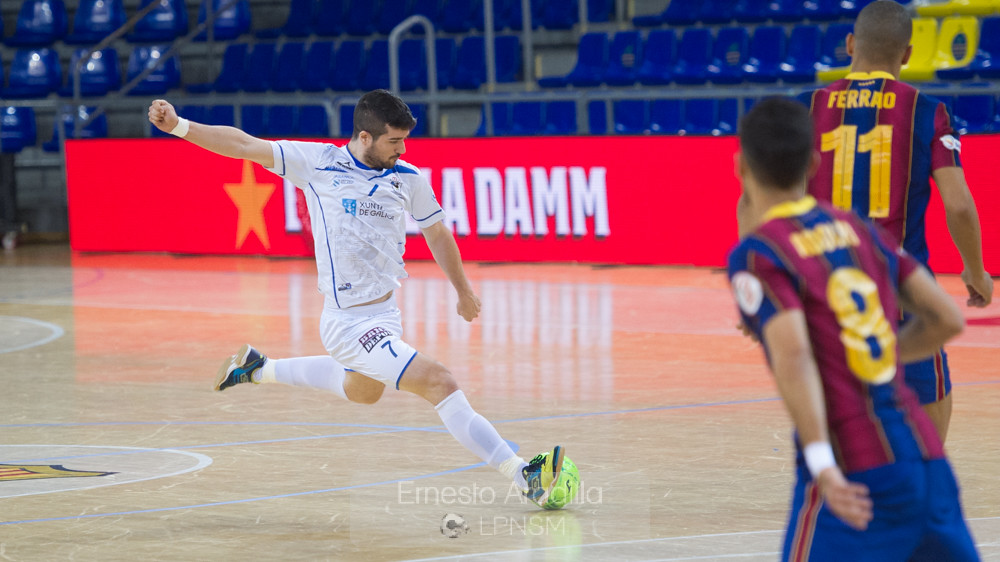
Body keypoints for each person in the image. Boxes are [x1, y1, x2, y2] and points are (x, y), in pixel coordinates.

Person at [147, 90, 564, 507]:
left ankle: (258, 369)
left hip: (385, 315)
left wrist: (463, 290)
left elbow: (437, 232)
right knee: (440, 382)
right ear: (365, 137)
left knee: (364, 392)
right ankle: (523, 474)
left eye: (404, 141)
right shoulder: (317, 164)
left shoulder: (408, 177)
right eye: (394, 141)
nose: (402, 149)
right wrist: (179, 126)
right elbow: (242, 144)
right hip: (347, 324)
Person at [729, 97, 979, 561]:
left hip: (856, 467)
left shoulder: (760, 255)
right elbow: (948, 318)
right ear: (813, 163)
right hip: (926, 459)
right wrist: (879, 354)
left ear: (741, 165)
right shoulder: (860, 230)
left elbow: (795, 356)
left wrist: (822, 463)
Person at [798, 0, 993, 441]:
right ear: (906, 54)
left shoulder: (806, 107)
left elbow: (764, 201)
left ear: (850, 45)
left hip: (825, 290)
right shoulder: (927, 110)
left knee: (839, 434)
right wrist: (976, 271)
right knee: (926, 440)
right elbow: (959, 205)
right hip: (902, 295)